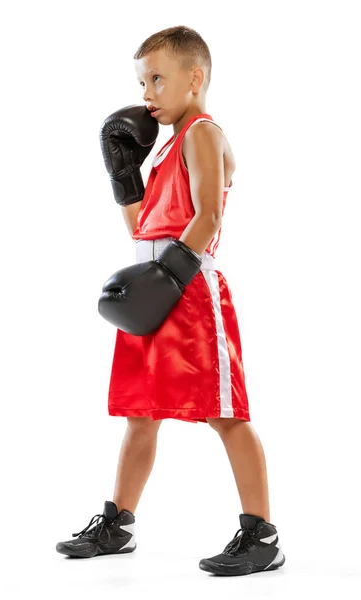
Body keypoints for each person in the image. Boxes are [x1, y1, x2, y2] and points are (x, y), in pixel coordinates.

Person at [56, 25, 286, 577]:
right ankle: (118, 523)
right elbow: (143, 228)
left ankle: (262, 534)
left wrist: (169, 274)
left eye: (157, 78)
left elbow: (208, 216)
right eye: (142, 82)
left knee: (224, 411)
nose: (147, 93)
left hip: (188, 288)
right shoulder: (164, 150)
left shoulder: (203, 133)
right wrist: (123, 177)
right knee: (139, 412)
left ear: (196, 77)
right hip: (155, 278)